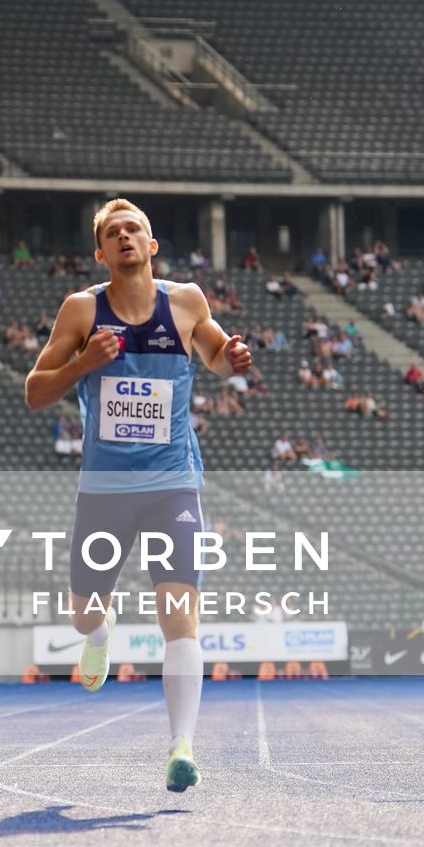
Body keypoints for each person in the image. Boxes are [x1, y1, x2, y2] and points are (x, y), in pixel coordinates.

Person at [24, 199, 252, 794]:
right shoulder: (81, 309)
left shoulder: (186, 301)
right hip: (103, 489)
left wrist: (232, 359)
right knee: (84, 613)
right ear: (101, 252)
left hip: (172, 482)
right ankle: (100, 637)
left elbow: (218, 355)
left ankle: (182, 745)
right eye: (113, 232)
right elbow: (35, 392)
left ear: (152, 246)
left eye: (135, 230)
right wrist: (84, 363)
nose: (125, 236)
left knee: (181, 621)